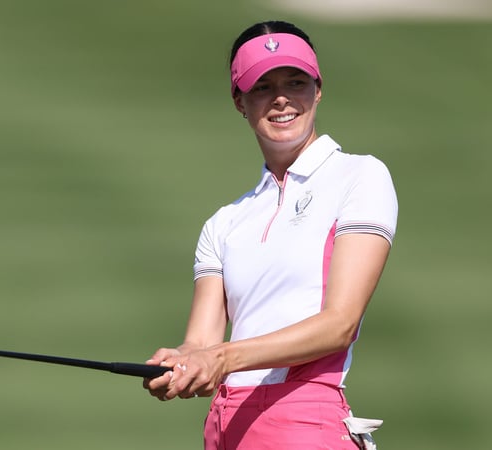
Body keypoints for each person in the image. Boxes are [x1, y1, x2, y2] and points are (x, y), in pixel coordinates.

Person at [143, 20, 398, 449]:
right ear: (239, 101)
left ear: (318, 89)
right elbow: (202, 341)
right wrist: (182, 363)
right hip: (226, 427)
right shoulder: (224, 222)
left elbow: (339, 325)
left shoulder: (359, 176)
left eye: (295, 82)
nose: (281, 98)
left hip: (305, 423)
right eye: (262, 87)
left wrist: (221, 357)